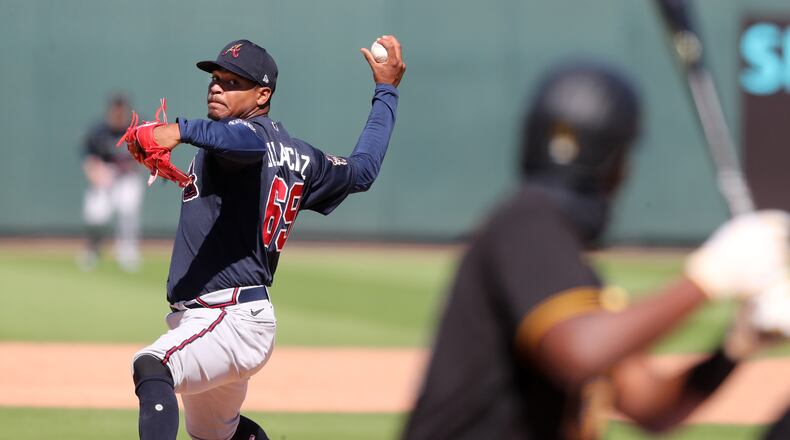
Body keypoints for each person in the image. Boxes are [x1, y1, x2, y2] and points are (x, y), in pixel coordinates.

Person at [402, 61, 790, 440]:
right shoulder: (526, 224)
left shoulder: (554, 260)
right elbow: (581, 352)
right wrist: (709, 277)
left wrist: (738, 343)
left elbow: (652, 407)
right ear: (613, 162)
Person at [124, 36, 406, 440]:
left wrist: (180, 129)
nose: (217, 86)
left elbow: (246, 141)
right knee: (215, 435)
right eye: (216, 78)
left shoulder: (243, 138)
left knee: (152, 366)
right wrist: (387, 93)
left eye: (233, 81)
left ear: (263, 94)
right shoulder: (302, 156)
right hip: (229, 319)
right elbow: (361, 170)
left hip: (229, 316)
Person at [80, 94, 144, 272]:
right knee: (95, 217)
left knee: (128, 211)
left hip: (127, 177)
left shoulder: (136, 129)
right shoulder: (99, 131)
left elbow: (147, 154)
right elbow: (88, 157)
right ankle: (92, 249)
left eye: (121, 111)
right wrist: (95, 172)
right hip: (105, 173)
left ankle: (128, 252)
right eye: (114, 111)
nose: (117, 115)